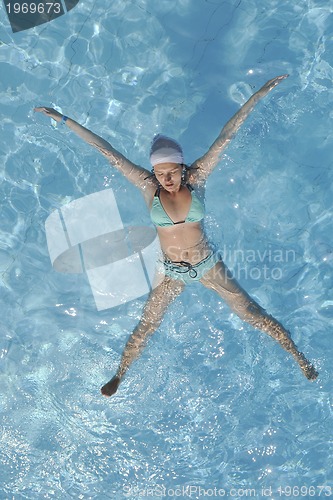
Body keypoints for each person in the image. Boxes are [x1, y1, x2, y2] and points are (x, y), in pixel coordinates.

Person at [35, 74, 318, 397]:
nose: (166, 179)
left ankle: (298, 356)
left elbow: (226, 136)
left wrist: (260, 93)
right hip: (169, 271)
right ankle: (120, 374)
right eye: (160, 172)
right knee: (147, 325)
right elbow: (107, 151)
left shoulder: (197, 178)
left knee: (252, 313)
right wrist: (63, 119)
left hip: (208, 263)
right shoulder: (147, 187)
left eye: (171, 171)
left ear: (182, 167)